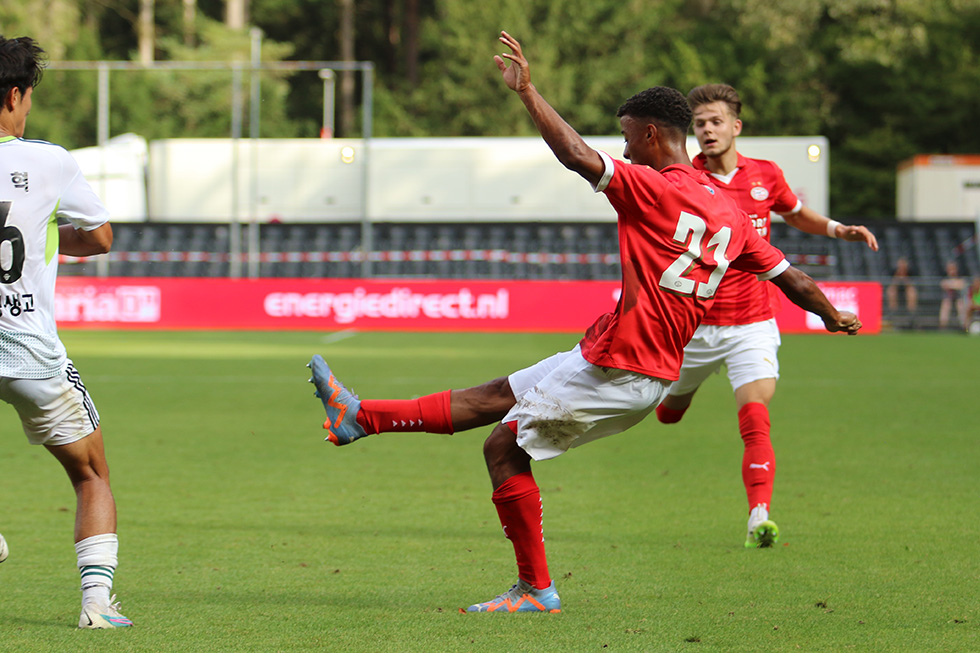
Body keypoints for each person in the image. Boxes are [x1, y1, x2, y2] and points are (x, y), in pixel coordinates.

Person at [307, 31, 861, 613]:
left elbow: (575, 154)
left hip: (627, 368)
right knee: (497, 395)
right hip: (616, 352)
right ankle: (359, 418)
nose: (622, 152)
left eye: (626, 139)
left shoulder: (652, 187)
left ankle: (535, 590)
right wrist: (833, 316)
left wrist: (528, 92)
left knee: (503, 449)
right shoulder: (731, 211)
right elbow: (791, 278)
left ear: (651, 134)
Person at [651, 83, 879, 548]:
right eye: (699, 124)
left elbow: (794, 214)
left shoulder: (765, 175)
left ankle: (759, 516)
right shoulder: (683, 178)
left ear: (736, 126)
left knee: (755, 415)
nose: (707, 130)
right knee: (667, 415)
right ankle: (683, 393)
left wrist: (838, 229)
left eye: (715, 122)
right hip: (694, 324)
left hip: (752, 322)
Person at [0, 36, 132, 629]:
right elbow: (101, 237)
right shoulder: (48, 160)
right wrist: (54, 235)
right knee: (91, 473)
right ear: (14, 95)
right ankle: (97, 606)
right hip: (29, 347)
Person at [938, 260, 968, 330]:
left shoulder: (960, 277)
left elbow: (961, 285)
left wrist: (951, 285)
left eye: (953, 269)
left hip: (958, 298)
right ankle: (943, 325)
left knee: (960, 305)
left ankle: (964, 326)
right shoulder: (945, 278)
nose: (952, 271)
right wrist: (953, 284)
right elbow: (944, 285)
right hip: (948, 298)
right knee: (946, 304)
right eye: (950, 269)